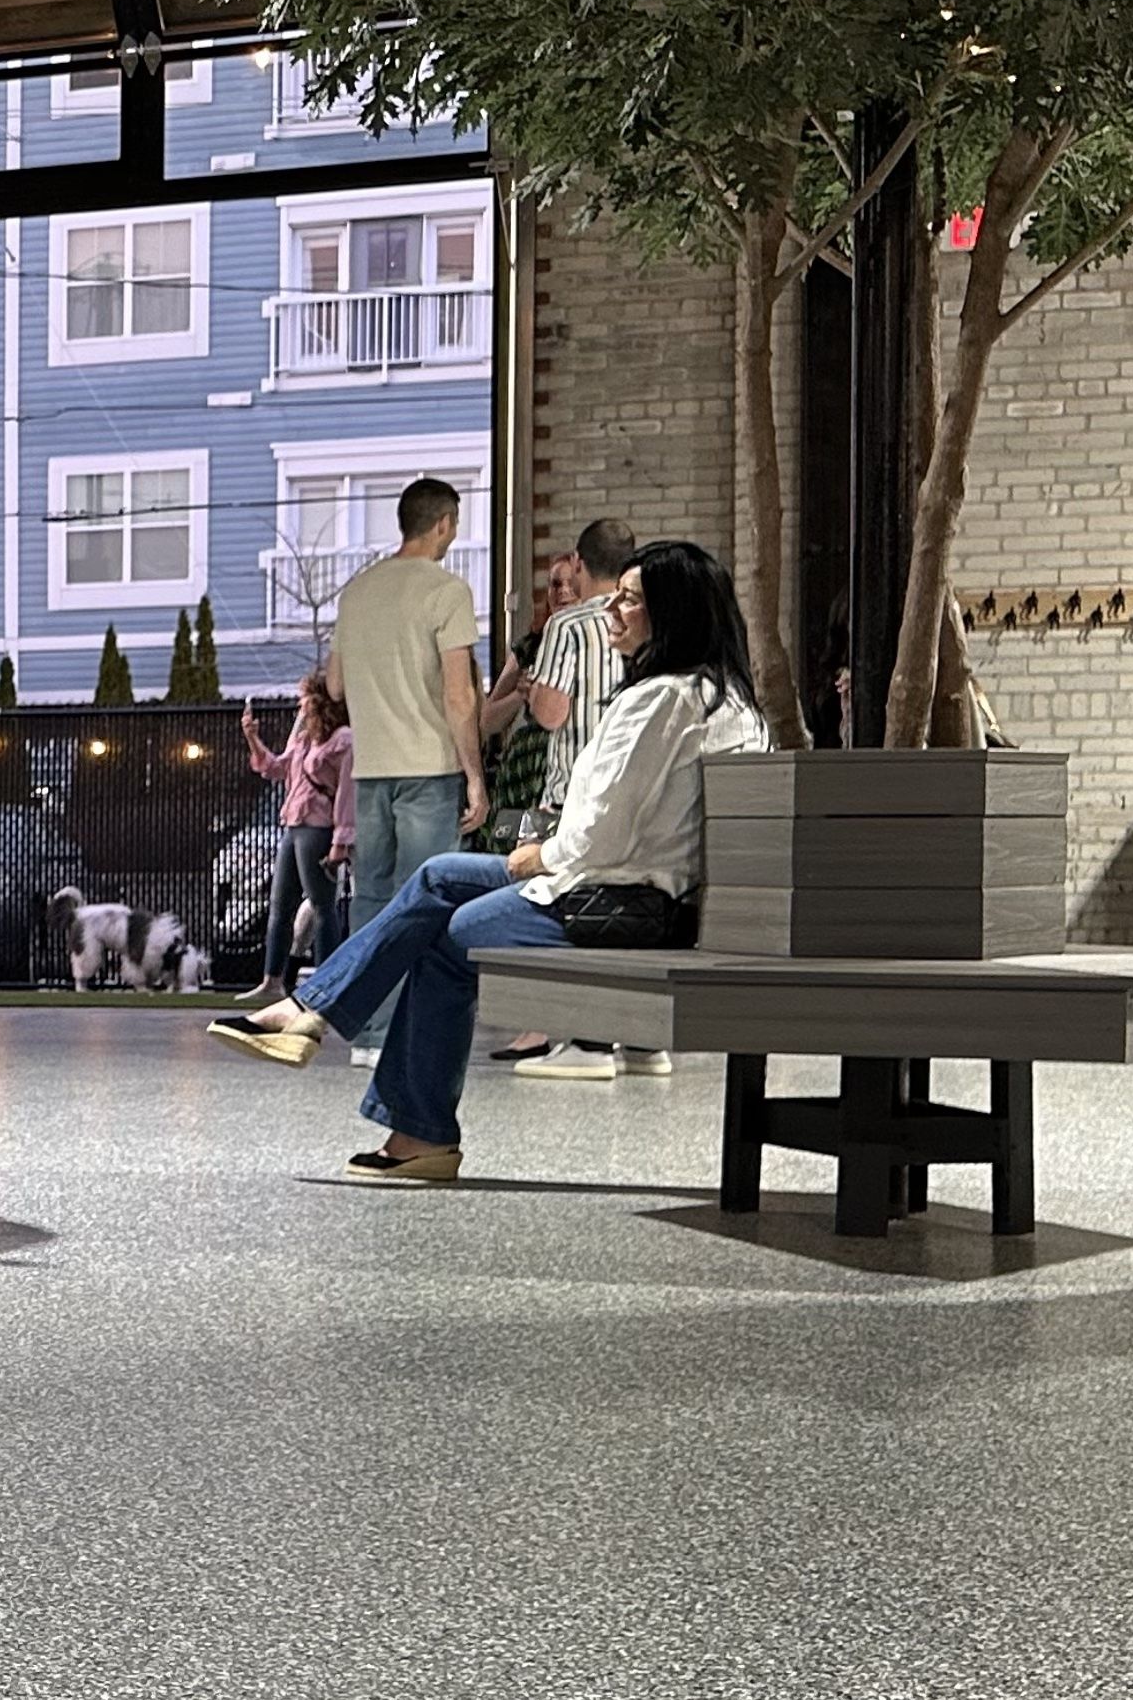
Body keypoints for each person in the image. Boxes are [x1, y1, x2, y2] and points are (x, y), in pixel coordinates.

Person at [205, 541, 775, 1180]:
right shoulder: (726, 701)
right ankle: (323, 1030)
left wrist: (538, 856)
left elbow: (604, 838)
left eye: (631, 598)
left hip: (616, 900)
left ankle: (379, 1091)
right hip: (645, 896)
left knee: (444, 933)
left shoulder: (661, 700)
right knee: (438, 880)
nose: (611, 606)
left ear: (674, 615)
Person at [491, 519, 667, 1080]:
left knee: (572, 914)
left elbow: (552, 713)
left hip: (573, 796)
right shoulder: (652, 622)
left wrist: (535, 688)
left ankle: (584, 1040)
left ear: (583, 566)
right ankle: (642, 1040)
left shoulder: (569, 624)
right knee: (628, 913)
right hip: (641, 796)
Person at [324, 476, 486, 1063]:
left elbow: (335, 683)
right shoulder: (447, 591)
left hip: (371, 770)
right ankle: (407, 1037)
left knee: (369, 900)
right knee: (420, 904)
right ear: (443, 524)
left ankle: (366, 1033)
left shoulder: (357, 592)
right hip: (428, 768)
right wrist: (474, 775)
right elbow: (459, 696)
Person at [242, 671, 351, 988]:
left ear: (318, 702)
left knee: (321, 906)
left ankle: (325, 983)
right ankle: (271, 981)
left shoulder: (342, 740)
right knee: (281, 905)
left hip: (317, 826)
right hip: (293, 824)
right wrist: (252, 738)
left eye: (304, 699)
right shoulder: (303, 740)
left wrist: (340, 842)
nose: (299, 706)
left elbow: (346, 793)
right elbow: (275, 768)